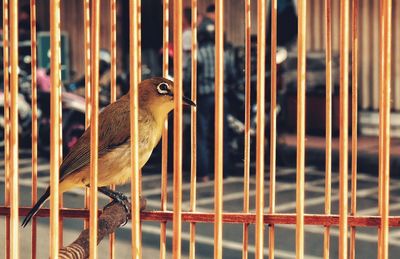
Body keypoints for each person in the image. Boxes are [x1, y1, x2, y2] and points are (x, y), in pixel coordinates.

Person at [186, 4, 236, 182]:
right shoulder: (224, 54)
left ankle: (204, 173)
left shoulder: (197, 54)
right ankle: (222, 171)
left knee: (201, 135)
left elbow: (188, 77)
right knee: (221, 134)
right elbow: (232, 75)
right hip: (221, 98)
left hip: (204, 98)